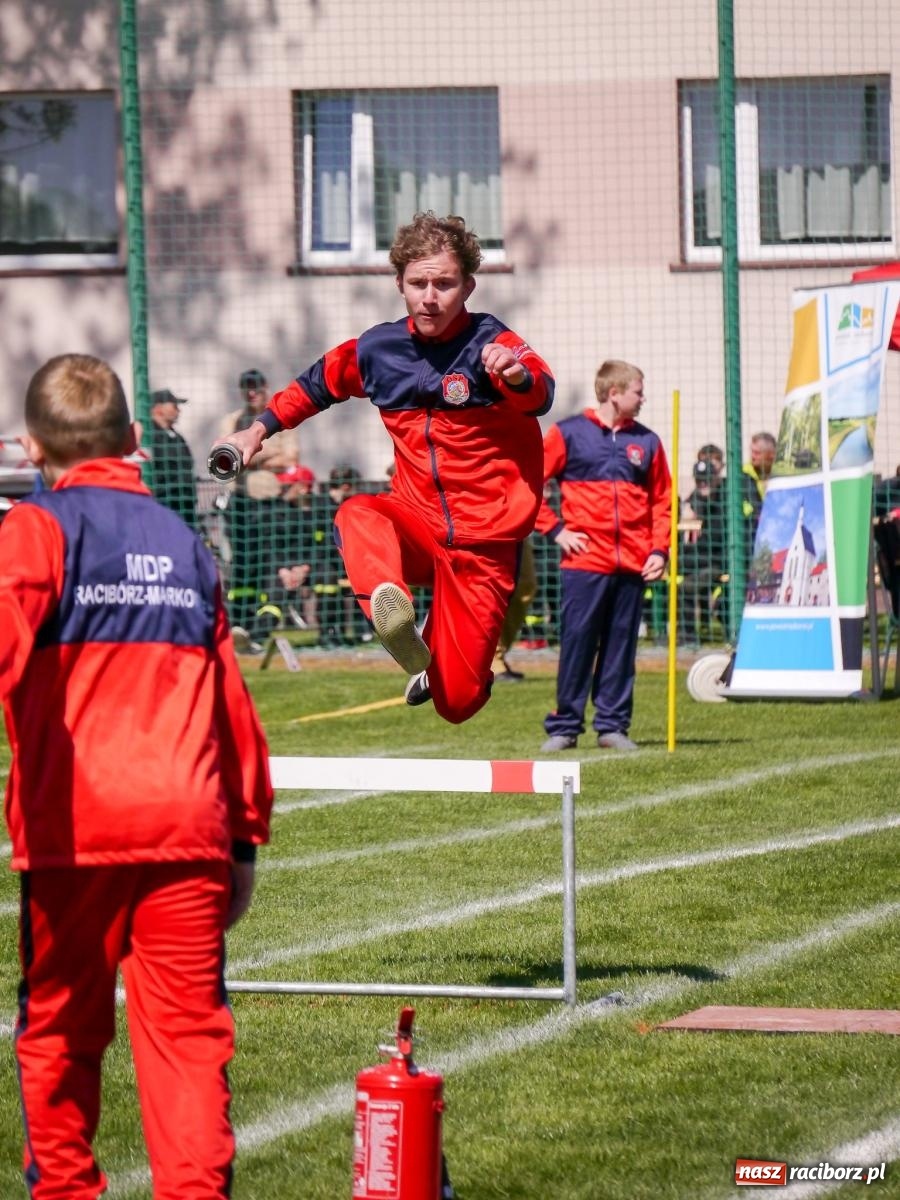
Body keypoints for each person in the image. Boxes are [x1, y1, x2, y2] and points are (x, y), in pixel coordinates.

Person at [0, 353, 273, 1199]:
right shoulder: (184, 544)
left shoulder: (34, 531)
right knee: (189, 1042)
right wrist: (244, 840)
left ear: (32, 447)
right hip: (189, 829)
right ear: (130, 437)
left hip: (75, 830)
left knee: (60, 1036)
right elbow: (232, 708)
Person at [214, 211, 555, 724]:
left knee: (457, 704)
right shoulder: (380, 349)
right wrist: (256, 431)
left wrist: (517, 378)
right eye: (418, 284)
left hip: (486, 544)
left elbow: (541, 392)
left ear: (468, 286)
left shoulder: (494, 343)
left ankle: (434, 658)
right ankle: (390, 612)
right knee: (357, 513)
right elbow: (317, 384)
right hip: (418, 524)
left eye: (444, 284)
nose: (430, 297)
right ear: (400, 284)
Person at [536, 359, 671, 752]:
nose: (643, 399)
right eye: (638, 392)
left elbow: (662, 501)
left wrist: (659, 550)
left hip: (633, 564)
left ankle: (612, 726)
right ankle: (565, 727)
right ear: (615, 393)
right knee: (578, 643)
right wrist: (556, 530)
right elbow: (527, 482)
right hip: (584, 564)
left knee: (621, 647)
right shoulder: (568, 433)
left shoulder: (648, 442)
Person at [218, 369, 300, 647]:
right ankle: (239, 625)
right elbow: (225, 456)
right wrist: (267, 454)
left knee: (271, 565)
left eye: (256, 387)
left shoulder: (280, 417)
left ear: (266, 387)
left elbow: (291, 458)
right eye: (246, 387)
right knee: (242, 565)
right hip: (240, 504)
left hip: (270, 505)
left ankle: (261, 631)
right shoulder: (232, 420)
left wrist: (250, 455)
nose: (251, 392)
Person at [680, 455, 728, 644]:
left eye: (706, 479)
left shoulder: (725, 500)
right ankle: (687, 636)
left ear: (715, 478)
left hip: (717, 562)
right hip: (695, 562)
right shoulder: (693, 500)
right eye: (699, 480)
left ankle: (689, 637)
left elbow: (715, 539)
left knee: (686, 587)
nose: (703, 484)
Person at [145, 386, 198, 529]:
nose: (178, 410)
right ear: (158, 409)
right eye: (174, 406)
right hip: (165, 506)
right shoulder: (148, 437)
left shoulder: (177, 437)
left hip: (186, 507)